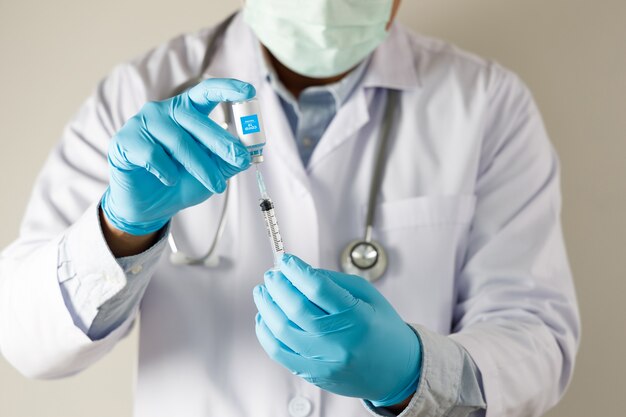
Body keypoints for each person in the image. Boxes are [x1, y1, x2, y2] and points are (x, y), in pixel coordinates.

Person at [0, 1, 580, 416]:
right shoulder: (137, 92)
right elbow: (25, 338)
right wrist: (121, 229)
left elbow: (535, 340)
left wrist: (411, 373)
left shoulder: (486, 103)